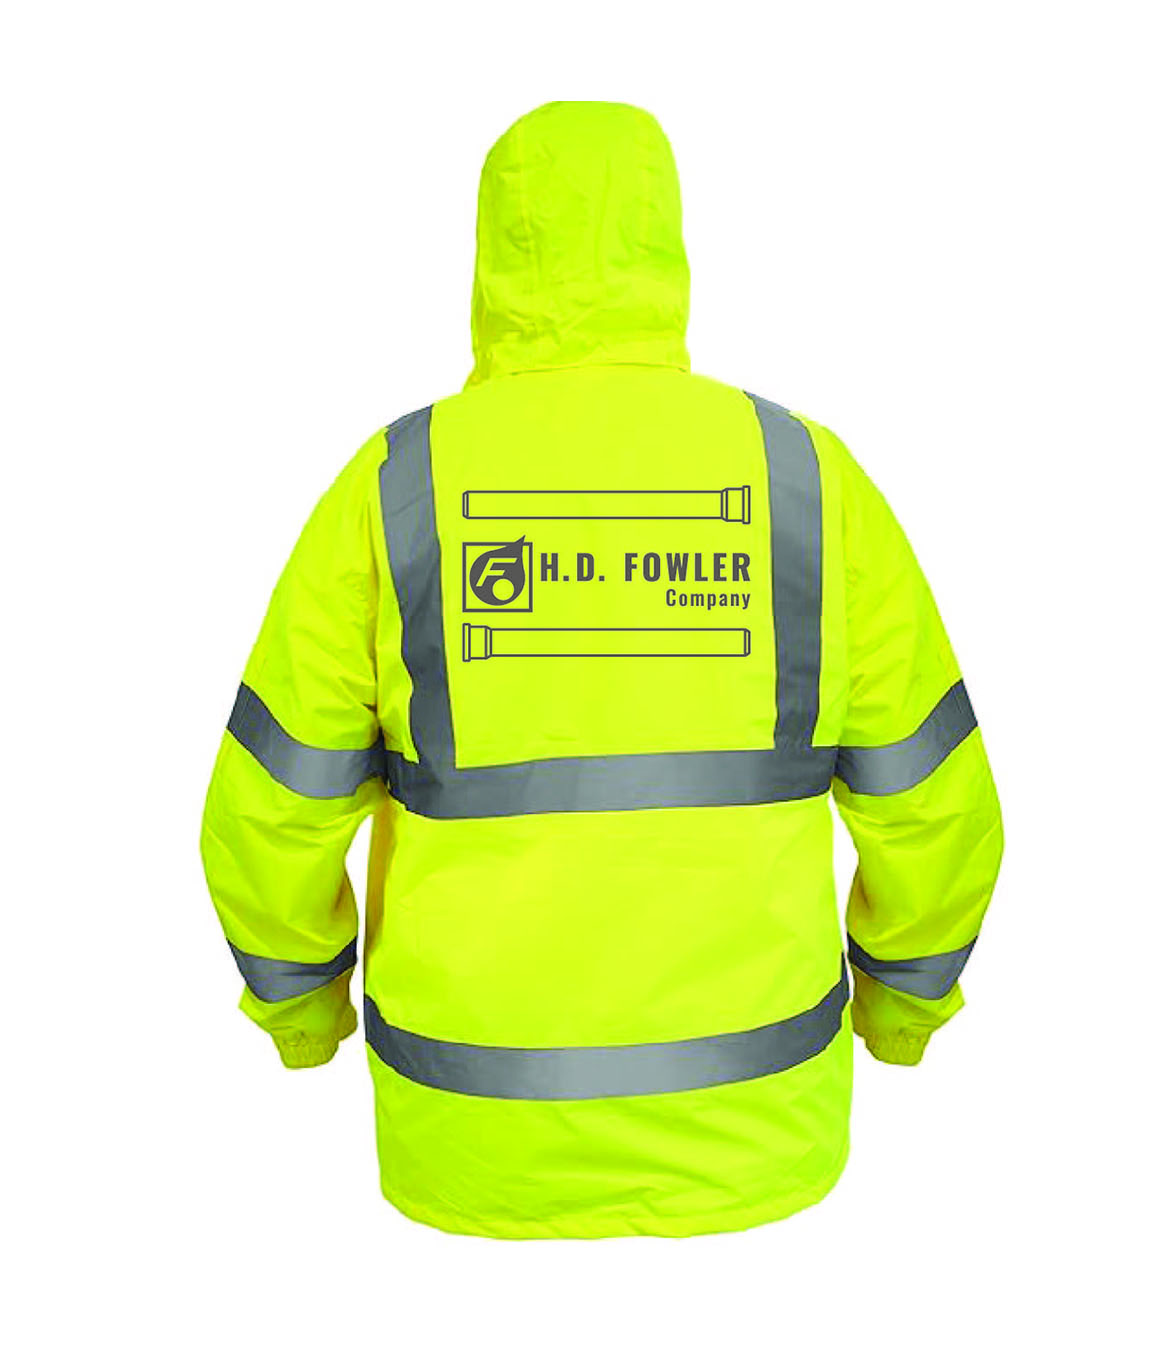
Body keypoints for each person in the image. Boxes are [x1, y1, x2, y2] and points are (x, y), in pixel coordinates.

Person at [202, 100, 1003, 1239]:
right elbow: (932, 795)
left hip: (468, 1141)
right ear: (665, 245)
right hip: (760, 1139)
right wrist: (901, 1010)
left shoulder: (401, 483)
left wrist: (303, 1017)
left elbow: (274, 800)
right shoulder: (801, 478)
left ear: (492, 253)